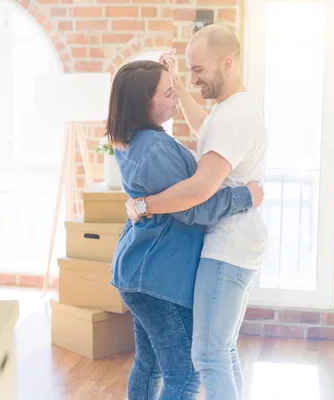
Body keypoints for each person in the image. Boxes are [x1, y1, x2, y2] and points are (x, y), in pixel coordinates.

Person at [125, 25, 269, 400]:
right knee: (221, 351)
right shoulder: (230, 110)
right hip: (236, 244)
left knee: (209, 356)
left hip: (228, 245)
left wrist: (144, 205)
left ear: (227, 62)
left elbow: (201, 191)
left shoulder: (233, 117)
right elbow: (206, 129)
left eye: (197, 70)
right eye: (185, 72)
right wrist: (183, 88)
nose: (191, 79)